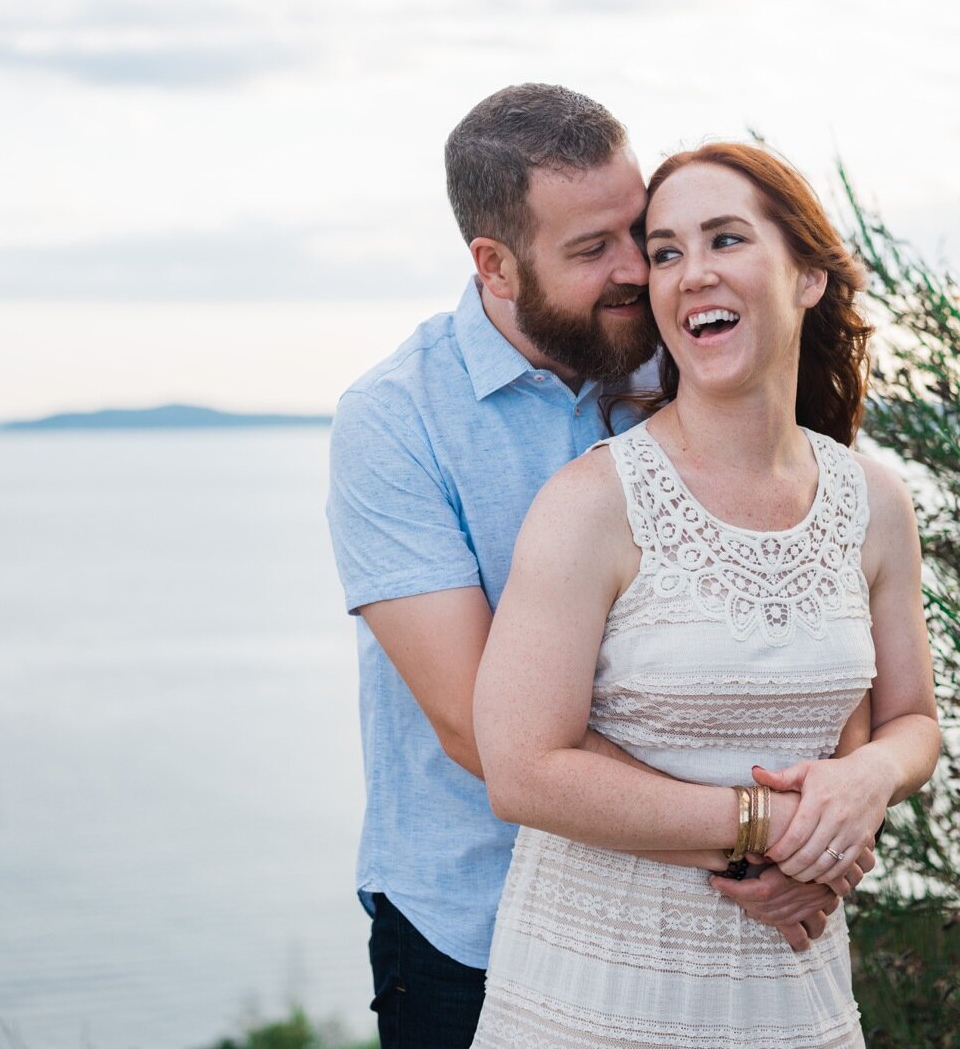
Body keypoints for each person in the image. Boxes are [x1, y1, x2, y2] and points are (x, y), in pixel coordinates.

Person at [327, 88, 873, 1048]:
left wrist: (830, 807)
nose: (638, 272)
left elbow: (817, 604)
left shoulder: (694, 356)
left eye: (641, 232)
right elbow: (481, 731)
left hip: (722, 936)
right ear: (494, 266)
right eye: (592, 251)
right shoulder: (395, 420)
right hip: (472, 929)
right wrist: (770, 841)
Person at [469, 142, 941, 1047]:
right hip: (593, 1001)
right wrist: (774, 829)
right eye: (667, 251)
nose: (690, 275)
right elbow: (522, 769)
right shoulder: (592, 502)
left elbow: (911, 717)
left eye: (725, 239)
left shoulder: (874, 503)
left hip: (793, 992)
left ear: (807, 274)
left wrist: (862, 785)